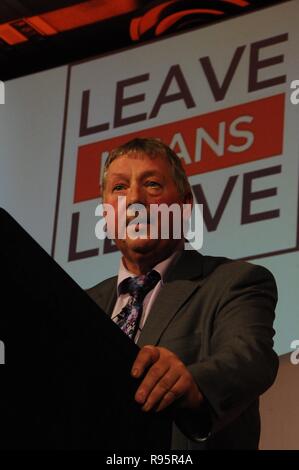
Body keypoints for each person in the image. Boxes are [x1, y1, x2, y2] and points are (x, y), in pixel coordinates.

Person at [86, 137, 278, 450]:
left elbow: (250, 357)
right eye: (119, 188)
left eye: (151, 184)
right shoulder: (85, 305)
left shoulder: (234, 282)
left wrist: (193, 382)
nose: (134, 200)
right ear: (106, 212)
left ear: (185, 204)